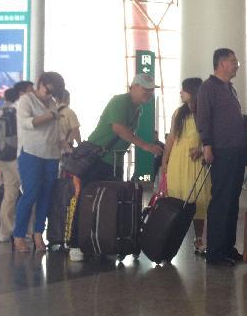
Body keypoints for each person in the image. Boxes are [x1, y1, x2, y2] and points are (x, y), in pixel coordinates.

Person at [67, 73, 162, 261]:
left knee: (111, 203)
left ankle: (104, 240)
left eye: (151, 90)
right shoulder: (119, 101)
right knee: (87, 198)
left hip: (116, 162)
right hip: (97, 159)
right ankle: (75, 243)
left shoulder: (138, 109)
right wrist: (145, 145)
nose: (149, 93)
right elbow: (118, 128)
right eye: (145, 88)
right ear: (133, 87)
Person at [198, 48, 247, 266]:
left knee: (232, 200)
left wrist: (246, 123)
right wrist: (207, 144)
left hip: (236, 150)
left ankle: (228, 247)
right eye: (233, 60)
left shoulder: (230, 88)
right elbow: (204, 118)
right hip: (221, 150)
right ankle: (215, 252)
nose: (237, 64)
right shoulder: (208, 88)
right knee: (220, 200)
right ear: (222, 63)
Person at [13, 71, 65, 253]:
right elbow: (27, 123)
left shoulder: (51, 103)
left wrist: (65, 146)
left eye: (52, 92)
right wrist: (52, 115)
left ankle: (38, 234)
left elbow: (56, 131)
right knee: (30, 194)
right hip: (30, 153)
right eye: (47, 89)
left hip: (51, 155)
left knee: (46, 196)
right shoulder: (26, 100)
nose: (48, 94)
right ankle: (19, 235)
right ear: (40, 83)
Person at [160, 77, 210, 254]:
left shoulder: (204, 111)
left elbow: (210, 136)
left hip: (195, 162)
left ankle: (198, 239)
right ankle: (170, 239)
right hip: (177, 161)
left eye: (184, 89)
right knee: (176, 199)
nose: (181, 93)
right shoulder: (179, 113)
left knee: (198, 201)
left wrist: (203, 148)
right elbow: (171, 138)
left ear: (193, 91)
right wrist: (165, 160)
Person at [0, 86, 32, 242]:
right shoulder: (19, 110)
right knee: (30, 192)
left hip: (3, 156)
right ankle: (26, 231)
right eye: (30, 90)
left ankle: (4, 232)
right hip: (17, 156)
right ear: (21, 93)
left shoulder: (0, 110)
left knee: (9, 195)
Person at [56, 89, 82, 155]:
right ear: (68, 99)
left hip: (53, 147)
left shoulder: (51, 113)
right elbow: (75, 130)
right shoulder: (69, 112)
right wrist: (80, 145)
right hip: (66, 148)